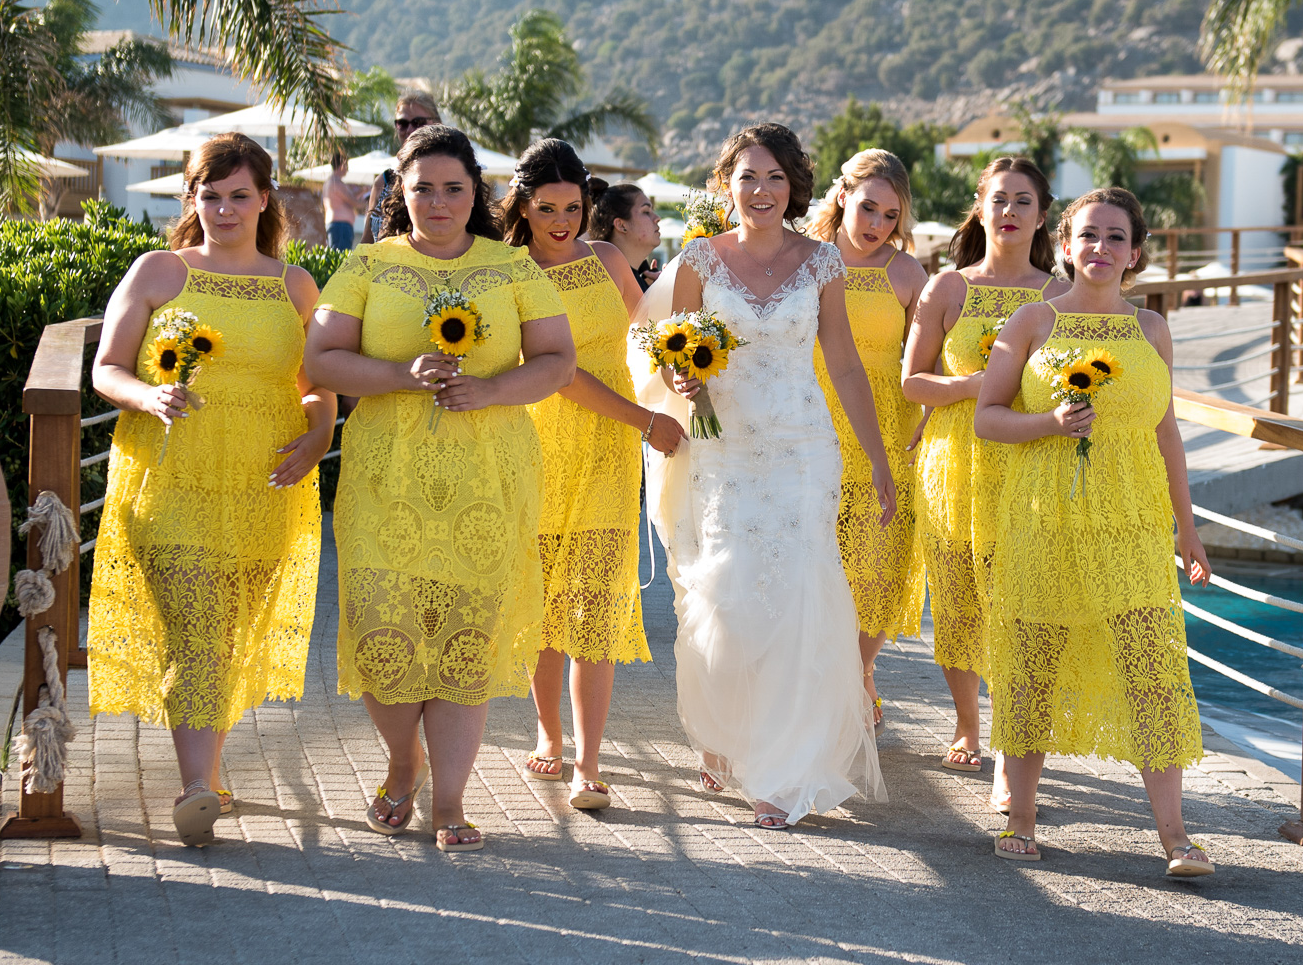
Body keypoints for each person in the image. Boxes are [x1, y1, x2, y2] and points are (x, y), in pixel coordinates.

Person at [305, 125, 576, 851]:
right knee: (385, 638)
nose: (438, 201)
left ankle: (450, 802)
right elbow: (322, 358)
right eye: (422, 187)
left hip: (487, 478)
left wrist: (490, 389)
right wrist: (398, 376)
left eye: (453, 187)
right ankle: (405, 762)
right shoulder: (366, 264)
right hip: (384, 478)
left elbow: (556, 359)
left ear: (475, 193)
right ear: (399, 191)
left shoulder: (512, 267)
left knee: (464, 644)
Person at [88, 132, 333, 848]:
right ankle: (197, 788)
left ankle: (211, 774)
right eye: (210, 195)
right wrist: (148, 396)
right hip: (169, 476)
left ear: (265, 200)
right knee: (194, 628)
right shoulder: (159, 271)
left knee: (224, 634)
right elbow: (106, 367)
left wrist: (319, 434)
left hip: (264, 481)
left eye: (238, 195)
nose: (224, 209)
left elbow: (315, 387)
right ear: (192, 199)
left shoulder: (295, 286)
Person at [974, 187, 1215, 878]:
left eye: (1115, 238)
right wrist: (1048, 425)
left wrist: (1187, 528)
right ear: (1067, 246)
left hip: (1133, 525)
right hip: (1044, 519)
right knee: (1033, 664)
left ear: (1135, 252)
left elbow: (1166, 431)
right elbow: (989, 415)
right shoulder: (1031, 322)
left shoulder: (1152, 329)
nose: (1101, 249)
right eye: (1088, 236)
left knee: (1152, 669)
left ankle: (1175, 835)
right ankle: (1021, 816)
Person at [655, 122, 890, 829]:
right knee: (724, 592)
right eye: (747, 176)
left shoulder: (822, 262)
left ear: (794, 187)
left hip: (801, 449)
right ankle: (725, 735)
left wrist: (877, 459)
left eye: (775, 178)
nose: (760, 191)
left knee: (797, 599)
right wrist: (680, 377)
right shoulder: (699, 258)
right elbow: (673, 353)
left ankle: (781, 770)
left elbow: (844, 364)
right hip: (722, 449)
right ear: (725, 182)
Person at [508, 139, 686, 811]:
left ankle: (588, 760)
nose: (560, 220)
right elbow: (557, 371)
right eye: (546, 207)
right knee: (544, 604)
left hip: (609, 450)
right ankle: (547, 736)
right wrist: (643, 421)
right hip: (539, 442)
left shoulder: (609, 259)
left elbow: (645, 336)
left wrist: (679, 371)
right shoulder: (510, 272)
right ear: (522, 206)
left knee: (596, 605)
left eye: (572, 207)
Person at [901, 157, 1064, 810]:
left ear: (1042, 215)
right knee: (961, 603)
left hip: (1026, 465)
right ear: (980, 206)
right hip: (952, 463)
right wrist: (976, 385)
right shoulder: (947, 287)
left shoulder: (1058, 295)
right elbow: (912, 382)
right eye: (999, 199)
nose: (1010, 212)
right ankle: (969, 724)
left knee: (1020, 608)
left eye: (1023, 201)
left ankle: (1009, 751)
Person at [804, 149, 928, 736]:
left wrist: (931, 408)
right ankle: (838, 685)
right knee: (818, 567)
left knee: (880, 570)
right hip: (812, 427)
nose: (876, 224)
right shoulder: (804, 257)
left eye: (890, 215)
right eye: (868, 208)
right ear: (842, 198)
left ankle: (855, 673)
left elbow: (931, 353)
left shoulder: (907, 273)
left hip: (888, 429)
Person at [360, 88, 442, 244]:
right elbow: (367, 241)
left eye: (418, 123)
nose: (410, 130)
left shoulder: (453, 178)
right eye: (402, 123)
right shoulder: (384, 181)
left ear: (436, 123)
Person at [589, 179, 663, 290]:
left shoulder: (642, 281)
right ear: (621, 225)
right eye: (646, 212)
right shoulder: (607, 284)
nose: (657, 218)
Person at [322, 150, 359, 251]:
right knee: (341, 260)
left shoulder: (329, 182)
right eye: (346, 165)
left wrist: (361, 192)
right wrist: (371, 201)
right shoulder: (336, 183)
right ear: (342, 164)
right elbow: (354, 202)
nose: (347, 169)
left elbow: (346, 199)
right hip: (341, 226)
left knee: (335, 256)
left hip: (336, 224)